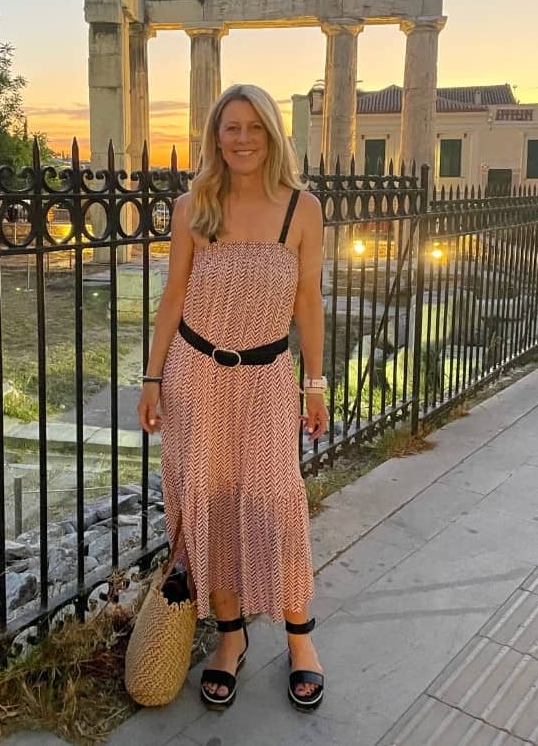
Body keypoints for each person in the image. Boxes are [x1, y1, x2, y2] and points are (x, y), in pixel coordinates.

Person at [137, 83, 328, 713]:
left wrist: (315, 383)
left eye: (253, 126)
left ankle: (300, 640)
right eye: (230, 127)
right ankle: (229, 638)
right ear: (215, 137)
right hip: (197, 375)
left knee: (275, 500)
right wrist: (153, 377)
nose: (242, 137)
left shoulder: (302, 209)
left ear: (272, 133)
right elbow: (172, 299)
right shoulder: (193, 205)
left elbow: (307, 304)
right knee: (209, 506)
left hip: (268, 377)